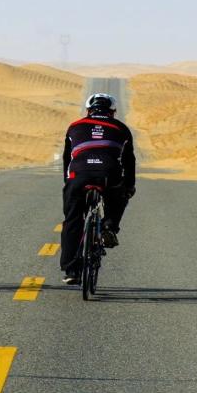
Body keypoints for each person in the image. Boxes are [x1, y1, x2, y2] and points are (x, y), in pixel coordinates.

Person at [59, 92, 136, 285]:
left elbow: (67, 158)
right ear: (112, 111)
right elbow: (129, 161)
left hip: (79, 175)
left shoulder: (74, 126)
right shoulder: (122, 128)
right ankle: (109, 225)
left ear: (88, 110)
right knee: (119, 195)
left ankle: (71, 270)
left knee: (72, 220)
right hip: (109, 174)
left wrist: (69, 182)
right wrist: (129, 186)